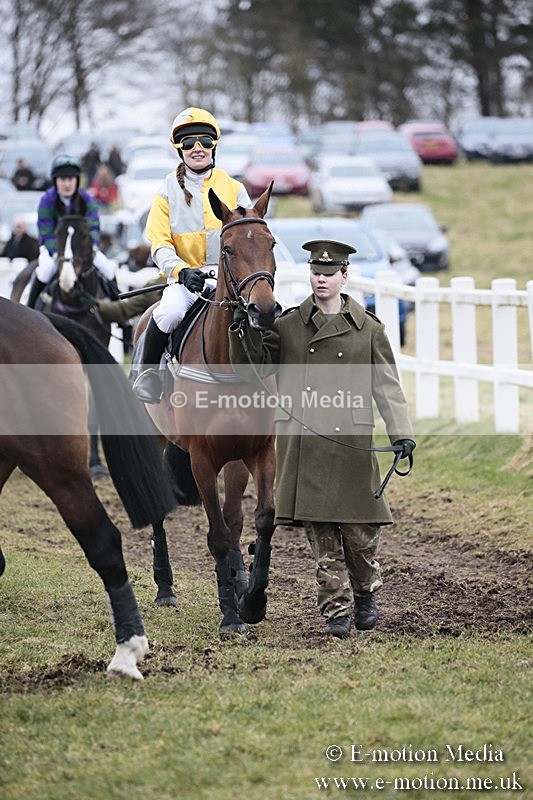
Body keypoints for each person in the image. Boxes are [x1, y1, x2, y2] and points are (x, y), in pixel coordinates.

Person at [228, 239, 416, 638]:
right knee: (322, 539)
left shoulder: (369, 330)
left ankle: (365, 591)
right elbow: (253, 368)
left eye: (329, 274)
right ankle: (336, 613)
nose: (321, 280)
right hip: (306, 445)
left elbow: (388, 388)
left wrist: (402, 435)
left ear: (344, 276)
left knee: (361, 539)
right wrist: (241, 332)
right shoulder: (289, 325)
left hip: (351, 445)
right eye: (316, 273)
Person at [132, 107, 252, 403]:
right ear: (179, 149)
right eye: (188, 142)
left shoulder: (235, 189)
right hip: (187, 280)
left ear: (214, 146)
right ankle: (147, 375)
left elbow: (251, 239)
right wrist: (181, 271)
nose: (197, 148)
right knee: (169, 312)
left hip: (231, 279)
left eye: (204, 141)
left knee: (265, 313)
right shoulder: (165, 192)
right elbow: (158, 244)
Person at [27, 154, 116, 309]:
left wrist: (92, 247)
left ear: (76, 180)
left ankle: (120, 313)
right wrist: (57, 253)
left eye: (70, 179)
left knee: (107, 267)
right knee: (46, 270)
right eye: (63, 180)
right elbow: (46, 231)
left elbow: (94, 226)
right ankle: (30, 309)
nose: (67, 184)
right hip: (54, 249)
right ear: (56, 181)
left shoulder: (87, 199)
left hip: (82, 250)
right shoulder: (47, 200)